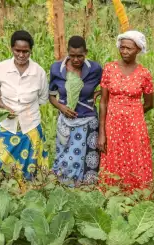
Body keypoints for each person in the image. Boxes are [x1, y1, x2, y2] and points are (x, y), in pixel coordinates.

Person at [98, 30, 154, 191]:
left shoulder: (144, 74)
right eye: (122, 47)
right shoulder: (109, 69)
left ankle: (135, 197)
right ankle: (112, 196)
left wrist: (133, 113)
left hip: (135, 126)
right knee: (113, 158)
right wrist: (102, 132)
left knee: (135, 158)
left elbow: (150, 103)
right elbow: (103, 102)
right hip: (112, 124)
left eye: (129, 48)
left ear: (138, 49)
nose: (124, 51)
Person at [0, 30, 49, 180]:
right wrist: (3, 107)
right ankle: (3, 189)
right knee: (1, 164)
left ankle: (28, 193)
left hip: (30, 127)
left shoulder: (38, 72)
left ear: (30, 51)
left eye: (25, 51)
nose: (21, 55)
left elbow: (42, 98)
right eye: (18, 50)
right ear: (11, 49)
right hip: (6, 125)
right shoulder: (1, 68)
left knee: (29, 166)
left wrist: (26, 111)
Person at [50, 36, 103, 185]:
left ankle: (86, 190)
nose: (76, 59)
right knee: (64, 156)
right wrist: (61, 107)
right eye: (72, 55)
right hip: (66, 122)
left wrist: (99, 93)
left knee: (88, 158)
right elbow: (51, 95)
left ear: (86, 52)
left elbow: (109, 85)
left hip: (88, 122)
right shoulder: (57, 68)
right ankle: (65, 186)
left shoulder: (95, 69)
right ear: (68, 53)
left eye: (80, 55)